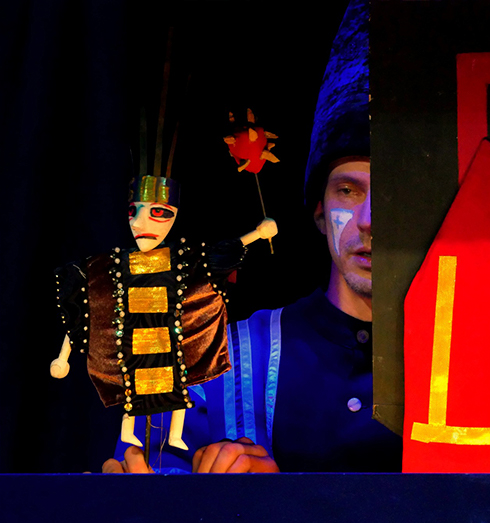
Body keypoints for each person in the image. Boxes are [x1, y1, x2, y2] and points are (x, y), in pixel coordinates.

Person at [103, 0, 402, 474]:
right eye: (348, 190)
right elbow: (139, 485)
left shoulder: (474, 364)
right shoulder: (221, 362)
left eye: (393, 194)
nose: (369, 220)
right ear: (320, 212)